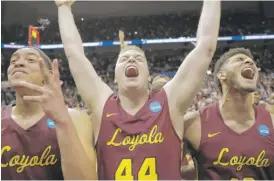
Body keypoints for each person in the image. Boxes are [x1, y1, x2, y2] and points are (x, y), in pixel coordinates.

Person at [56, 0, 221, 179]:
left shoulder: (169, 102)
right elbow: (75, 55)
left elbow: (205, 47)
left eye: (138, 58)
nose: (131, 60)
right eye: (124, 58)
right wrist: (63, 7)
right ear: (114, 77)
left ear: (148, 75)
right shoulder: (102, 105)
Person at [1, 47, 97, 180]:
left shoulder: (75, 118)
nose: (18, 63)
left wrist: (62, 121)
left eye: (30, 60)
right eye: (13, 61)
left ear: (50, 75)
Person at [183, 47, 274, 180]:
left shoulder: (271, 120)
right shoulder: (192, 123)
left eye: (252, 62)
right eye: (239, 59)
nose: (249, 62)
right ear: (221, 74)